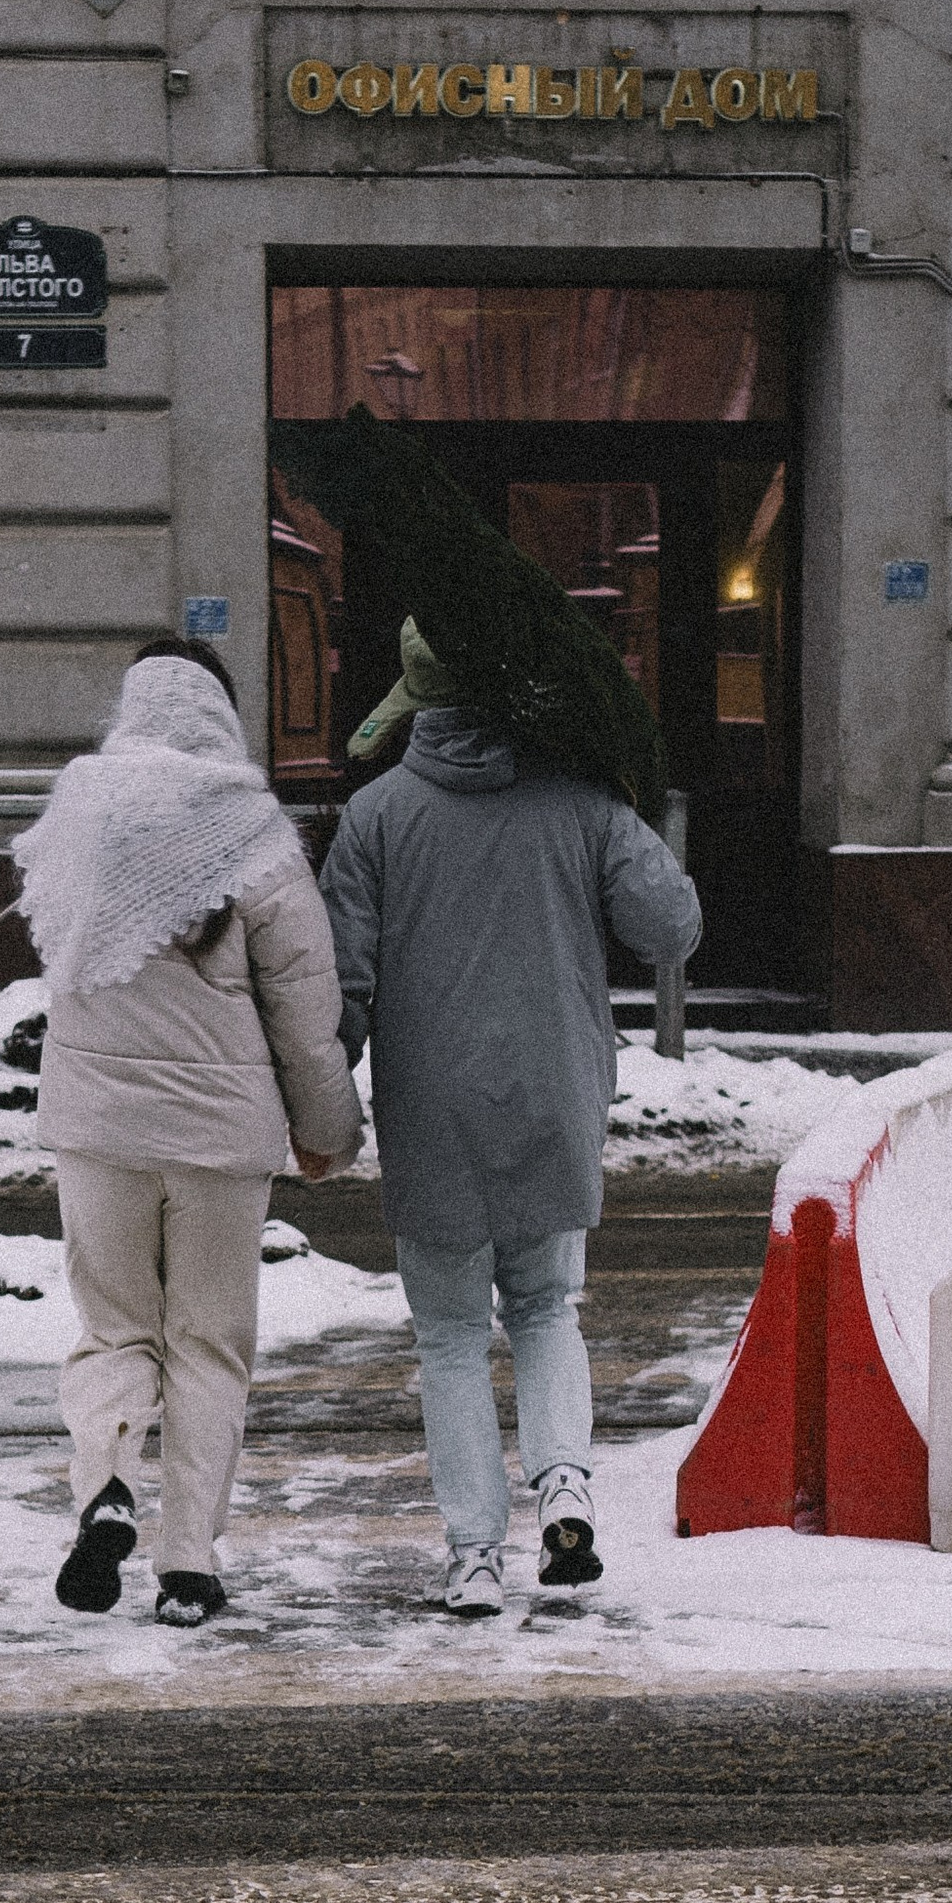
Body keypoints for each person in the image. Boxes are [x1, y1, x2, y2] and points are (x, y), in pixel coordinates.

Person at [322, 624, 701, 1616]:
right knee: (544, 1311)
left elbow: (341, 987)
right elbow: (670, 930)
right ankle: (565, 1489)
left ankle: (474, 1557)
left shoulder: (374, 816)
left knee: (449, 1335)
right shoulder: (583, 802)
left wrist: (317, 1094)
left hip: (432, 1104)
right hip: (554, 1093)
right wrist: (614, 794)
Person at [13, 635, 362, 1630]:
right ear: (222, 713)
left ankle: (108, 1487)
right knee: (207, 1345)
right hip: (221, 1136)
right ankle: (190, 1562)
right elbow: (304, 1010)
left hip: (97, 1127)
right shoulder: (253, 831)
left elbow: (53, 952)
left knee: (112, 1329)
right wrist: (328, 1131)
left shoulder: (76, 814)